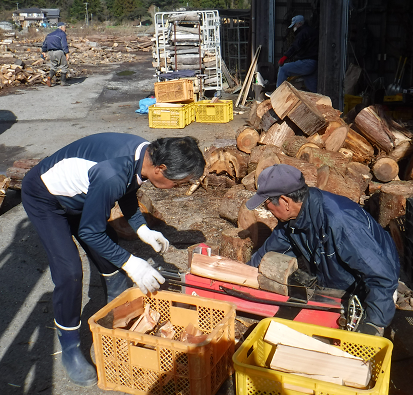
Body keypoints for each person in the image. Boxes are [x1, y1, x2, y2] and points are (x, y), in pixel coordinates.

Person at [21, 133, 205, 387]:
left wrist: (142, 228)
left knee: (108, 253)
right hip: (46, 198)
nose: (179, 187)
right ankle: (70, 347)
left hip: (83, 194)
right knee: (69, 272)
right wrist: (132, 263)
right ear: (160, 169)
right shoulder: (112, 172)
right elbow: (90, 230)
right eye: (178, 181)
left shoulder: (145, 155)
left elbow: (127, 191)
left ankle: (115, 313)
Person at [245, 164, 400, 336]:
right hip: (336, 280)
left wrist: (373, 324)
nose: (268, 211)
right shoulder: (293, 220)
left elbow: (380, 276)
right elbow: (270, 251)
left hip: (374, 286)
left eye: (267, 205)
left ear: (285, 201)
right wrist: (244, 275)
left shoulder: (340, 222)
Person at [269, 15, 319, 94]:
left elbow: (295, 46)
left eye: (294, 25)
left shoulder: (302, 33)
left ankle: (277, 94)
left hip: (307, 62)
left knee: (283, 69)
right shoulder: (312, 31)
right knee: (312, 87)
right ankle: (321, 102)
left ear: (299, 24)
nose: (294, 28)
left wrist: (285, 57)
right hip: (314, 63)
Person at [42, 22, 70, 87]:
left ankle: (49, 77)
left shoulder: (49, 35)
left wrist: (43, 51)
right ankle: (63, 82)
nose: (65, 29)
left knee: (53, 66)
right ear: (62, 27)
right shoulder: (62, 34)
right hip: (59, 51)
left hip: (50, 52)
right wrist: (67, 53)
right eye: (65, 27)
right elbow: (64, 44)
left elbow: (45, 44)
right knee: (64, 66)